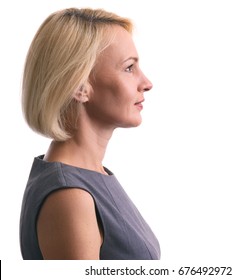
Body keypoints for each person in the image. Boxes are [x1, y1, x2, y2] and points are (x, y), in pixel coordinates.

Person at [19, 7, 160, 260]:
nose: (146, 83)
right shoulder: (71, 196)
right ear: (80, 87)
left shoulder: (91, 177)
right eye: (129, 68)